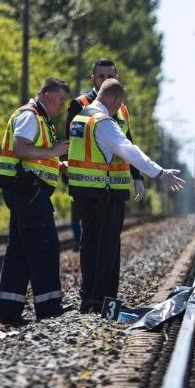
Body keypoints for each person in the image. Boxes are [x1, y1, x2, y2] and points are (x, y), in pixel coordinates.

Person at [67, 79, 185, 313]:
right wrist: (160, 173)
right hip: (104, 193)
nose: (118, 109)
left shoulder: (79, 120)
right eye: (119, 104)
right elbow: (128, 149)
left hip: (82, 192)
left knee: (89, 245)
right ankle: (101, 299)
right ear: (115, 99)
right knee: (107, 246)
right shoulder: (103, 123)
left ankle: (89, 296)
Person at [0, 78, 73, 326]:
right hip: (28, 190)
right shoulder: (30, 116)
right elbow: (21, 148)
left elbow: (35, 156)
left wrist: (58, 165)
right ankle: (49, 307)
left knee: (19, 250)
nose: (61, 105)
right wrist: (55, 152)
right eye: (59, 99)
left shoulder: (41, 119)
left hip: (26, 190)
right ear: (48, 96)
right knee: (45, 246)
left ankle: (9, 309)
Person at [64, 59, 146, 247]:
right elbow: (68, 143)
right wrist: (69, 177)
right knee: (90, 240)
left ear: (116, 78)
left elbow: (128, 143)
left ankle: (107, 278)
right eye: (101, 76)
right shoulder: (79, 105)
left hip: (115, 186)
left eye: (110, 76)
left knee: (111, 241)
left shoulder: (122, 107)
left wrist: (137, 176)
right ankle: (91, 278)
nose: (105, 80)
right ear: (93, 78)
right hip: (87, 186)